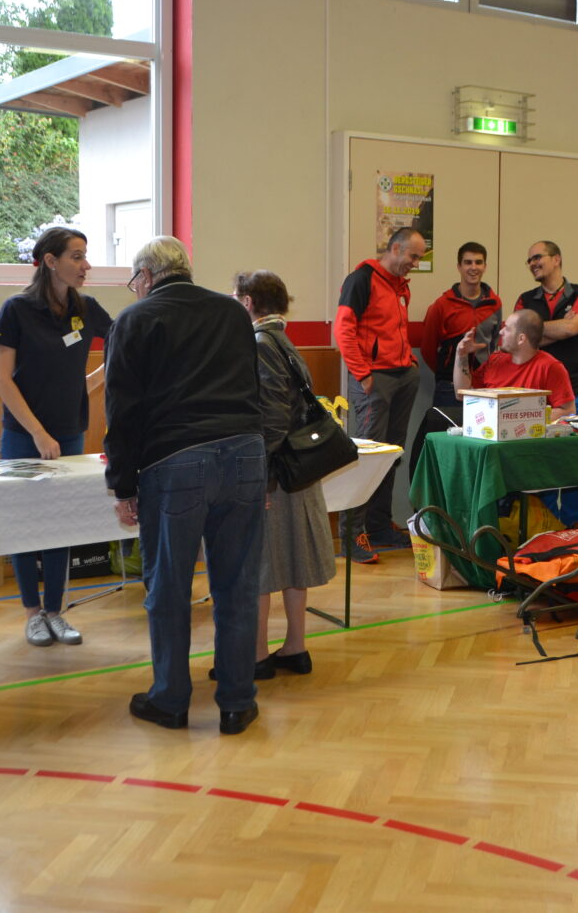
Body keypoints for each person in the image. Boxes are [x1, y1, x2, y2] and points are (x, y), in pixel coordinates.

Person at [110, 237, 265, 737]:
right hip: (245, 452)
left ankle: (171, 700)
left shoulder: (135, 320)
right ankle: (237, 703)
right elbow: (253, 389)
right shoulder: (233, 313)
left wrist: (122, 485)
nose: (135, 289)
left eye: (134, 281)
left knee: (170, 588)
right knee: (237, 586)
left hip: (175, 462)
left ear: (147, 276)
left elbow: (123, 412)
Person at [0, 226, 111, 648]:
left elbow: (124, 344)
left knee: (60, 523)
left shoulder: (87, 308)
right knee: (24, 524)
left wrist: (87, 386)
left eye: (86, 255)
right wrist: (38, 433)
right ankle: (31, 613)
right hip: (24, 437)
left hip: (70, 434)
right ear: (50, 261)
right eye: (77, 256)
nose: (86, 265)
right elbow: (1, 379)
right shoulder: (16, 309)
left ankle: (55, 611)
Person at [232, 270, 333, 681]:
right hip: (295, 467)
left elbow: (271, 419)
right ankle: (295, 648)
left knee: (260, 565)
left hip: (274, 472)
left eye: (235, 298)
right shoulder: (283, 340)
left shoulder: (259, 343)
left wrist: (260, 477)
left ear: (248, 302)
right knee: (292, 559)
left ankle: (257, 656)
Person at [334, 227, 424, 561]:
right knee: (367, 456)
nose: (415, 263)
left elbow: (394, 330)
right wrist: (363, 374)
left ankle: (379, 526)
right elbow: (343, 329)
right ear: (395, 248)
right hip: (374, 381)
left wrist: (409, 361)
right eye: (413, 256)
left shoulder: (400, 286)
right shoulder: (361, 280)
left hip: (402, 377)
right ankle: (351, 536)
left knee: (391, 454)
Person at [410, 242, 501, 474]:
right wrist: (449, 372)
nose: (473, 267)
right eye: (468, 262)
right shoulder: (442, 305)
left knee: (479, 448)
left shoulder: (495, 303)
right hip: (448, 390)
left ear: (485, 266)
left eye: (478, 262)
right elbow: (428, 349)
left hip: (483, 390)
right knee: (446, 450)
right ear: (459, 266)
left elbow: (494, 345)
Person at [518, 241, 578, 416]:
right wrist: (561, 326)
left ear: (556, 259)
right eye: (529, 260)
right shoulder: (525, 299)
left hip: (576, 390)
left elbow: (571, 328)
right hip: (536, 391)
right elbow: (520, 342)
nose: (532, 264)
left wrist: (533, 330)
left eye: (537, 257)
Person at [452, 309, 576, 417]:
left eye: (507, 328)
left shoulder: (550, 367)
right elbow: (462, 394)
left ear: (521, 338)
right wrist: (461, 354)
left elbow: (568, 411)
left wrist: (521, 419)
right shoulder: (495, 360)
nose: (500, 332)